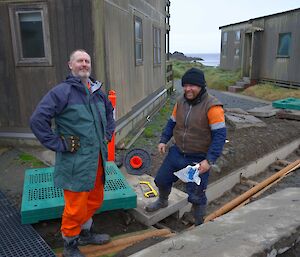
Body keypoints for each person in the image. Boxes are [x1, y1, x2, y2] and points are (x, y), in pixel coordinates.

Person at [30, 49, 115, 257]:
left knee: (95, 200)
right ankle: (69, 244)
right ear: (70, 65)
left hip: (97, 161)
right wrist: (59, 144)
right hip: (75, 162)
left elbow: (109, 114)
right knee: (75, 206)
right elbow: (37, 121)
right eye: (79, 61)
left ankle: (85, 233)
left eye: (87, 61)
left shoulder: (98, 92)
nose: (84, 64)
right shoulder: (62, 92)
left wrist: (108, 133)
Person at [145, 67, 226, 226]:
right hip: (177, 153)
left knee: (196, 194)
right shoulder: (180, 102)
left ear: (201, 86)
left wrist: (209, 161)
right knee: (161, 180)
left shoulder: (213, 107)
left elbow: (220, 136)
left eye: (192, 85)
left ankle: (198, 222)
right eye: (185, 85)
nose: (188, 89)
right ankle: (162, 201)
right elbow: (171, 123)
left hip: (197, 159)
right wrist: (163, 140)